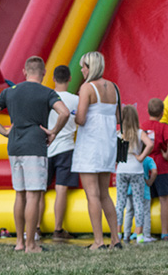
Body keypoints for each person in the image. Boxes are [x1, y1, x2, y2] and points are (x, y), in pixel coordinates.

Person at [0, 56, 69, 253]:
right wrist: (53, 131)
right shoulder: (47, 92)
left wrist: (4, 131)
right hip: (35, 147)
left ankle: (20, 242)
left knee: (20, 194)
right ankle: (31, 245)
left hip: (15, 147)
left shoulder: (10, 92)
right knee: (33, 195)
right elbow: (64, 112)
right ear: (44, 72)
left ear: (24, 71)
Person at [70, 51, 121, 250]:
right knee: (104, 194)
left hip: (90, 145)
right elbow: (117, 117)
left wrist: (75, 115)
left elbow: (81, 119)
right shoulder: (114, 88)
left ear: (90, 67)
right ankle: (115, 238)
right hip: (107, 144)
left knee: (91, 194)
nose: (82, 70)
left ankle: (98, 240)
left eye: (84, 66)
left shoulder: (87, 88)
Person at [37, 65, 80, 241]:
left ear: (53, 79)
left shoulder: (47, 98)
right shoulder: (76, 100)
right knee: (61, 189)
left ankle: (37, 227)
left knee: (40, 189)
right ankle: (57, 229)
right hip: (66, 148)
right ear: (70, 79)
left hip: (46, 148)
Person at [145, 97, 168, 240]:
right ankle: (165, 231)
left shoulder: (143, 126)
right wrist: (167, 154)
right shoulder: (163, 127)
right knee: (164, 199)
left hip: (147, 167)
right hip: (161, 167)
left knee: (145, 200)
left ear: (147, 111)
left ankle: (143, 230)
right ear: (162, 113)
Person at [115, 105, 152, 244]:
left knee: (120, 202)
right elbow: (149, 144)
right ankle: (140, 234)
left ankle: (118, 232)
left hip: (122, 169)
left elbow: (117, 152)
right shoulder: (139, 132)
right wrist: (141, 157)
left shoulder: (119, 133)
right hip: (136, 170)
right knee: (138, 202)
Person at [122, 156, 157, 244]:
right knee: (145, 212)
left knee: (129, 212)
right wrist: (150, 181)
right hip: (144, 191)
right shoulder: (148, 159)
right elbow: (154, 171)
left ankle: (126, 235)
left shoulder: (129, 158)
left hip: (130, 190)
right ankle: (145, 235)